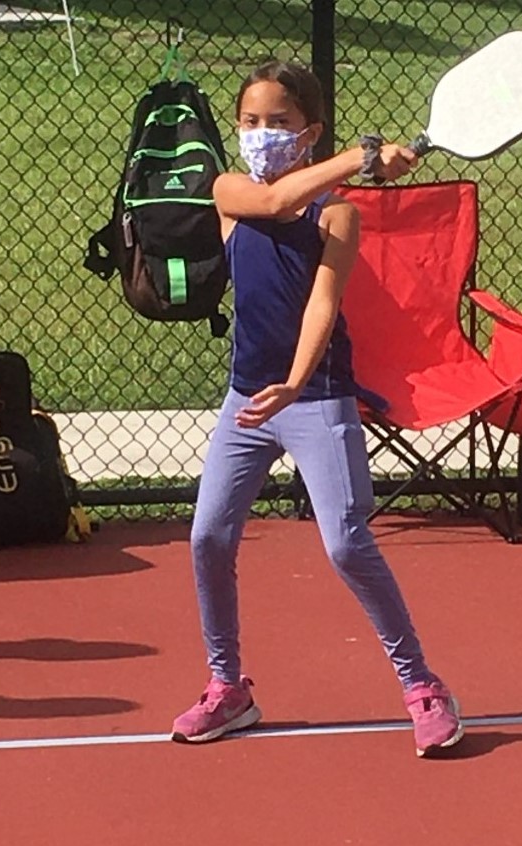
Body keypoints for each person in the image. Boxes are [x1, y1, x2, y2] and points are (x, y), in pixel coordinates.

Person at [171, 60, 463, 758]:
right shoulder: (229, 191)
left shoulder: (339, 212)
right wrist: (362, 156)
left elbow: (323, 305)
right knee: (208, 537)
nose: (261, 134)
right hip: (245, 400)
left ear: (311, 132)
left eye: (279, 122)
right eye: (250, 122)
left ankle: (422, 685)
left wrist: (297, 381)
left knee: (345, 542)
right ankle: (227, 686)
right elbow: (273, 204)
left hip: (318, 398)